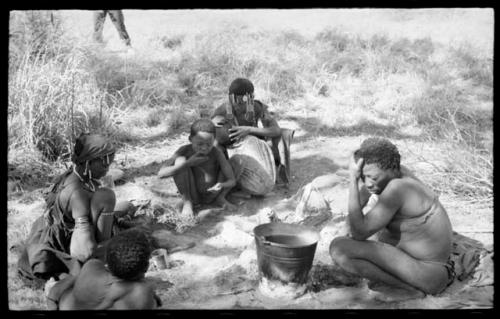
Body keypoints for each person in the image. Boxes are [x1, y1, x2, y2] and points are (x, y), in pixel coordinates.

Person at [329, 137, 454, 296]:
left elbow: (359, 233)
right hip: (429, 269)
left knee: (339, 248)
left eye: (373, 178)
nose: (367, 183)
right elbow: (363, 196)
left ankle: (409, 290)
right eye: (363, 177)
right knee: (356, 239)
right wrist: (346, 226)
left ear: (392, 169)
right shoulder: (396, 173)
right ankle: (403, 284)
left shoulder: (398, 188)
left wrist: (353, 180)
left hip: (427, 275)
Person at [17, 133, 120, 289]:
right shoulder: (77, 194)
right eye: (104, 165)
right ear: (87, 163)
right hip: (64, 245)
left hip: (59, 230)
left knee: (123, 206)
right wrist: (110, 245)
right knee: (106, 196)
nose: (107, 169)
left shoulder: (77, 174)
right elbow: (83, 253)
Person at [211, 78, 294, 196]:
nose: (238, 105)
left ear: (251, 98)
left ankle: (278, 172)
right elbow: (213, 134)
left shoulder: (256, 107)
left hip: (255, 144)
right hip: (233, 148)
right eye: (236, 101)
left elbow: (276, 130)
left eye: (243, 102)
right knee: (216, 147)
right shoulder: (223, 110)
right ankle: (226, 183)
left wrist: (249, 130)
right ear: (231, 98)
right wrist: (214, 124)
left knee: (283, 135)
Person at [45, 229, 162, 310]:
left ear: (107, 259)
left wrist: (52, 300)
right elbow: (155, 304)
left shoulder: (92, 267)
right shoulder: (141, 292)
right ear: (146, 267)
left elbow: (57, 290)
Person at [157, 118, 237, 218]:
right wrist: (188, 163)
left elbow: (232, 181)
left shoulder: (216, 152)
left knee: (232, 161)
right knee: (180, 161)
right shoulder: (184, 150)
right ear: (190, 139)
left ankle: (220, 198)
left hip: (213, 195)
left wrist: (221, 185)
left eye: (209, 144)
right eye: (199, 144)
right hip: (193, 196)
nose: (204, 148)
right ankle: (187, 203)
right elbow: (161, 174)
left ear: (214, 140)